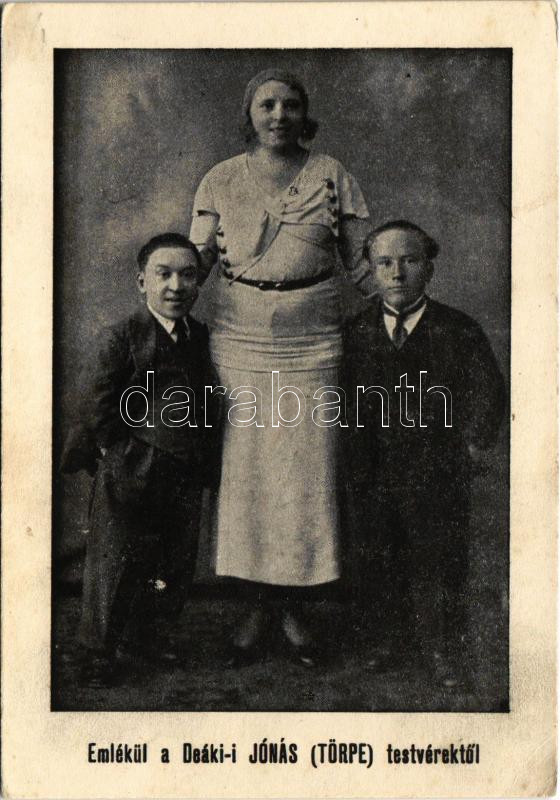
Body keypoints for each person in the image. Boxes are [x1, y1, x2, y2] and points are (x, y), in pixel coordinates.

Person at [190, 68, 376, 667]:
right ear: (250, 114)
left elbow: (363, 265)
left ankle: (295, 611)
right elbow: (194, 263)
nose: (279, 115)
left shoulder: (331, 174)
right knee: (246, 476)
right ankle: (253, 610)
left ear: (304, 113)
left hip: (313, 342)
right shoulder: (221, 178)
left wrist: (405, 308)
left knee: (303, 477)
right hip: (239, 341)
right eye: (267, 105)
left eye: (290, 105)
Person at [344, 220, 506, 687]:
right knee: (379, 556)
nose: (397, 273)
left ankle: (443, 648)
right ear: (371, 271)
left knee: (440, 561)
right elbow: (343, 400)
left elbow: (488, 392)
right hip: (375, 469)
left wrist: (473, 443)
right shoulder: (356, 331)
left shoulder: (458, 329)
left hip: (438, 470)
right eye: (384, 263)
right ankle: (387, 641)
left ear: (429, 268)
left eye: (410, 261)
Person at [61, 233, 218, 685]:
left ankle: (146, 636)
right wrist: (120, 452)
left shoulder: (198, 336)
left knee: (172, 561)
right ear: (141, 281)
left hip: (183, 466)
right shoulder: (123, 336)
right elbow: (96, 404)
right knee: (116, 562)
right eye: (163, 274)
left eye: (188, 275)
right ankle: (96, 651)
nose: (176, 286)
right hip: (132, 467)